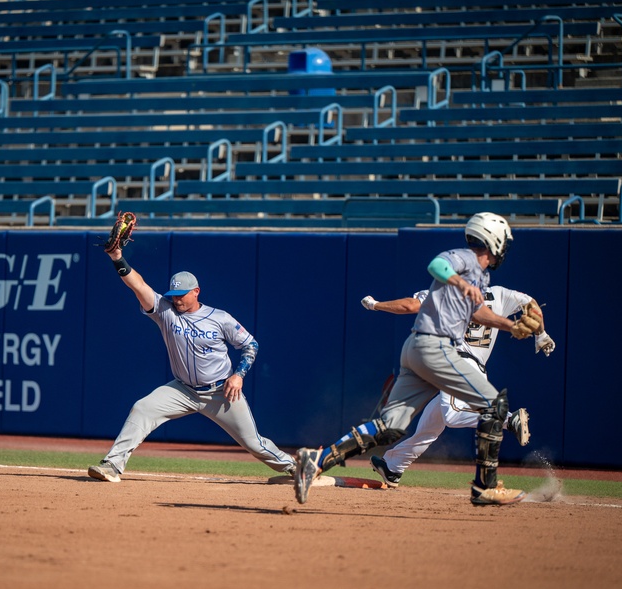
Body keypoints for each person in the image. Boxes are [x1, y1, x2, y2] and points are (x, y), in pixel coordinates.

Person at [294, 212, 528, 505]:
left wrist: (510, 325)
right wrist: (458, 281)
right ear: (493, 240)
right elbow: (437, 265)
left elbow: (477, 313)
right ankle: (485, 486)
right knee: (496, 406)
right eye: (503, 241)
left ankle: (317, 459)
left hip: (418, 348)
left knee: (390, 426)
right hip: (436, 347)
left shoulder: (481, 276)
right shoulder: (465, 259)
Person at [87, 245, 296, 483]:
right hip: (182, 389)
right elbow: (139, 285)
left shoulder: (220, 318)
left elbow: (251, 345)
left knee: (253, 443)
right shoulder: (165, 311)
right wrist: (117, 258)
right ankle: (113, 465)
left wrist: (239, 375)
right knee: (142, 408)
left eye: (182, 294)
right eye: (174, 294)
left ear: (196, 291)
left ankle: (295, 468)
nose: (177, 299)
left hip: (221, 392)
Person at [358, 287, 556, 488]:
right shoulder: (498, 294)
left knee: (452, 415)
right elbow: (531, 304)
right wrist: (541, 334)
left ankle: (507, 419)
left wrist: (375, 305)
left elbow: (409, 305)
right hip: (475, 369)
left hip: (457, 363)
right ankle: (393, 466)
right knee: (431, 423)